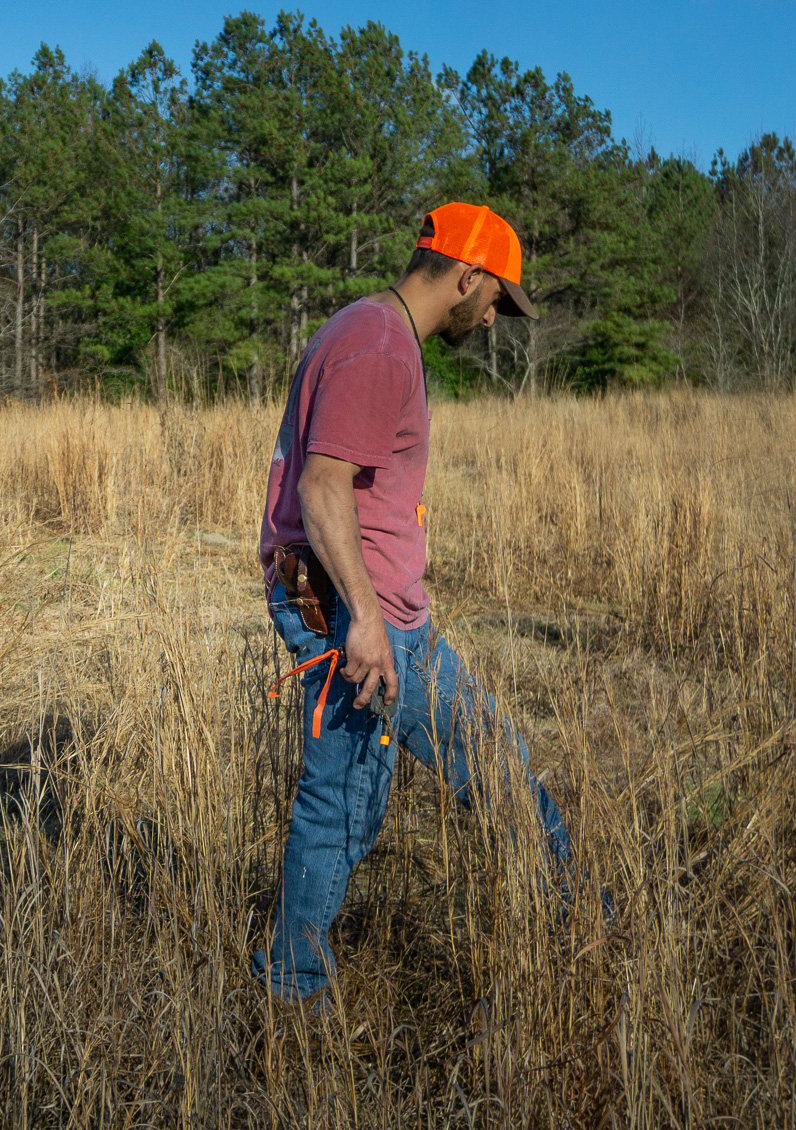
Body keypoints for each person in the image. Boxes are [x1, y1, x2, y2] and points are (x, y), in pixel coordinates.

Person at [252, 202, 572, 1007]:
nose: (495, 318)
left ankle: (293, 981)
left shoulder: (366, 330)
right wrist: (364, 618)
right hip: (362, 619)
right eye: (497, 297)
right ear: (467, 274)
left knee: (354, 797)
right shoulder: (378, 347)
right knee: (480, 773)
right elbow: (322, 487)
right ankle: (584, 931)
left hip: (367, 610)